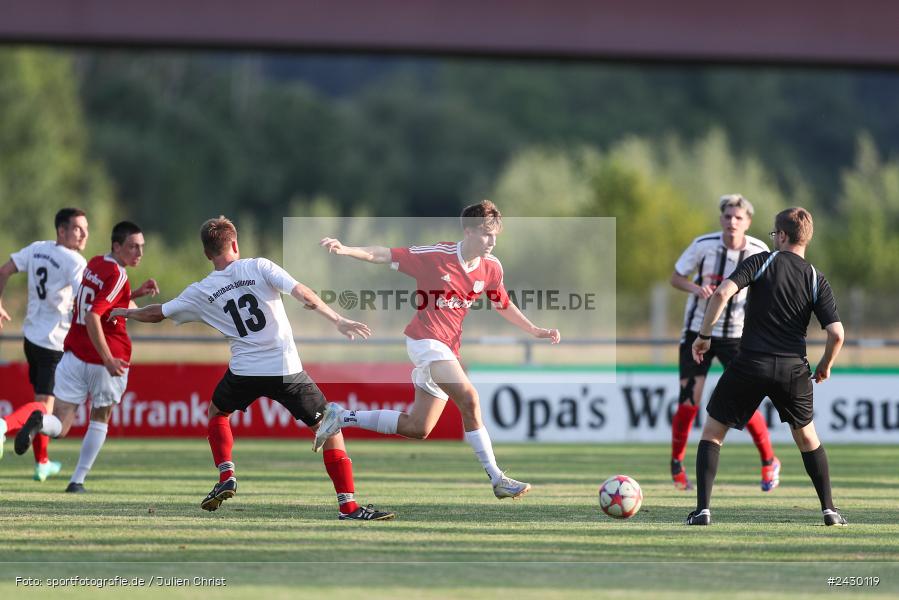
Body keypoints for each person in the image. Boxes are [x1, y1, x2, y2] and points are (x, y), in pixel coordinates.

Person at [110, 216, 395, 521]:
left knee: (217, 412)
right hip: (286, 369)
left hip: (244, 372)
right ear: (235, 244)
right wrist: (338, 320)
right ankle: (348, 506)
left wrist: (125, 312)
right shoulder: (260, 266)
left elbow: (157, 313)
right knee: (330, 428)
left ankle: (226, 474)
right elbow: (303, 293)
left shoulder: (203, 289)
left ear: (207, 254)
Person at [316, 200, 561, 500]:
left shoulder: (491, 267)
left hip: (447, 348)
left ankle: (341, 417)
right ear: (469, 231)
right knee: (469, 397)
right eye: (486, 234)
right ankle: (497, 477)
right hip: (426, 341)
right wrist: (346, 249)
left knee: (418, 427)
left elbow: (503, 303)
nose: (492, 241)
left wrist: (534, 329)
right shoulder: (436, 255)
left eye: (495, 235)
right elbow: (384, 254)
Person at [685, 207, 846, 526]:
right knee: (808, 440)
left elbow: (721, 294)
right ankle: (829, 510)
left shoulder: (761, 261)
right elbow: (836, 333)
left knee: (714, 433)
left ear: (782, 236)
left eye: (775, 235)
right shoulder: (815, 277)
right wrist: (825, 365)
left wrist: (704, 336)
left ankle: (703, 510)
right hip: (793, 370)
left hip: (751, 363)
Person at [14, 221, 159, 493]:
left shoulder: (94, 263)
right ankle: (77, 480)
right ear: (116, 246)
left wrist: (135, 293)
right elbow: (95, 314)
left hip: (73, 356)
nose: (139, 252)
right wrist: (106, 358)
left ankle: (40, 423)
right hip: (106, 359)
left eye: (141, 247)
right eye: (132, 246)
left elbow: (97, 300)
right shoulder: (118, 275)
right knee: (100, 417)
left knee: (62, 422)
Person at [669, 194, 780, 492]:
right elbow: (675, 278)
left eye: (738, 217)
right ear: (721, 219)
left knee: (744, 401)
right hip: (697, 331)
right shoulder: (703, 245)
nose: (732, 222)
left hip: (738, 337)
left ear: (748, 222)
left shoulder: (760, 250)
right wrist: (696, 287)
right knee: (689, 401)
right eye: (728, 216)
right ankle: (677, 464)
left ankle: (769, 461)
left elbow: (767, 291)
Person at [0, 208, 88, 481]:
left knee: (41, 402)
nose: (84, 234)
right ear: (62, 231)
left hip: (32, 338)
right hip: (53, 342)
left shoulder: (37, 249)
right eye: (77, 228)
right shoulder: (74, 260)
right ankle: (2, 425)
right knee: (43, 411)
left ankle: (42, 463)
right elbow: (84, 298)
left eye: (85, 228)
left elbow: (4, 270)